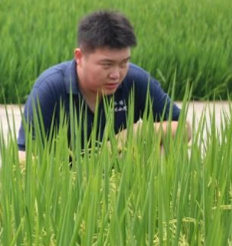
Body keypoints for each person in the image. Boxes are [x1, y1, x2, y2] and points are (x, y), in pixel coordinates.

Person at [17, 10, 191, 153]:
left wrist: (134, 135)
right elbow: (27, 157)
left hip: (120, 174)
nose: (116, 74)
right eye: (106, 64)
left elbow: (185, 129)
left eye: (124, 63)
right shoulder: (51, 87)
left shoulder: (136, 80)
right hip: (65, 180)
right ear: (79, 57)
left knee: (166, 148)